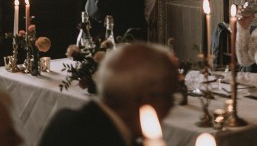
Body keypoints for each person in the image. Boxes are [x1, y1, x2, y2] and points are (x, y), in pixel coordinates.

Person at [37, 42, 179, 146]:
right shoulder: (102, 140)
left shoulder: (64, 121)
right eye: (168, 97)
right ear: (143, 99)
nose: (172, 106)